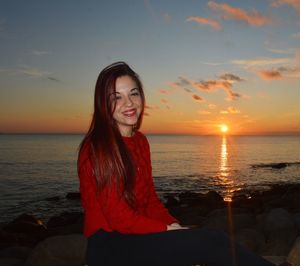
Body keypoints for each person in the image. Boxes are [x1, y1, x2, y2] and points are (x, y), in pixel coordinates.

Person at [78, 61, 274, 266]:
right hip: (110, 246)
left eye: (133, 94)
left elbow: (150, 199)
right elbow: (119, 218)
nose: (128, 103)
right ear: (103, 103)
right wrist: (166, 231)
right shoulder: (97, 148)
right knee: (211, 241)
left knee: (198, 239)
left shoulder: (140, 142)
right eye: (116, 97)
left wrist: (173, 225)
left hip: (137, 236)